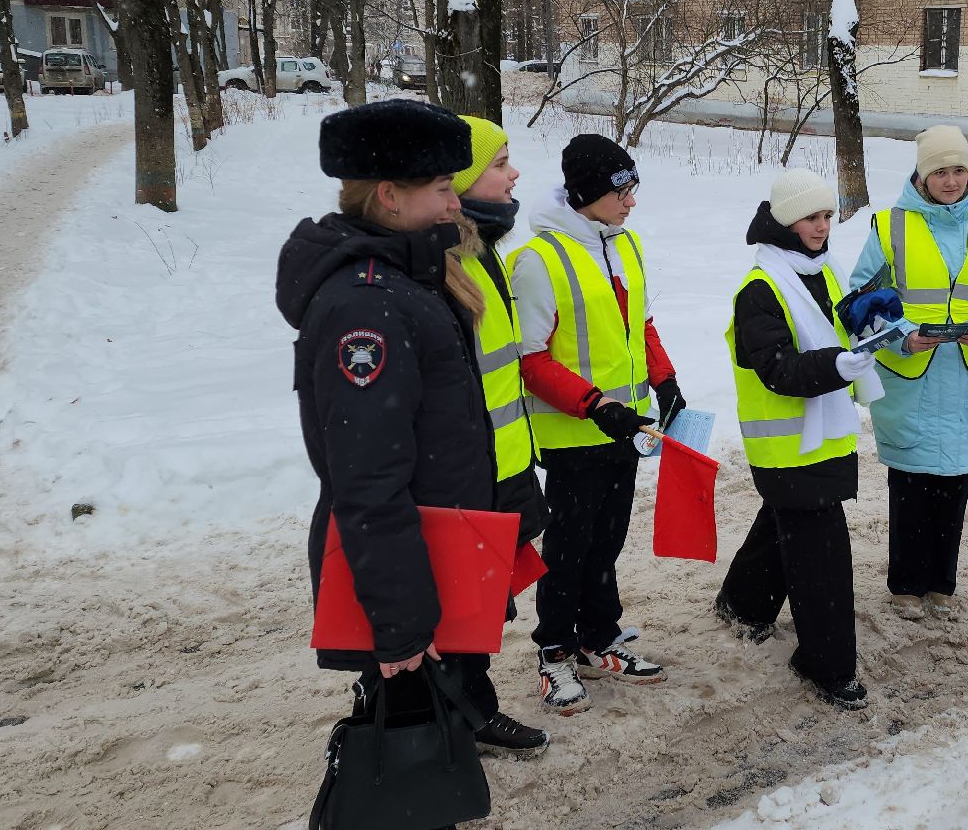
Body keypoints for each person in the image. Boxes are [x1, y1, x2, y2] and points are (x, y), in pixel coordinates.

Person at [274, 98, 548, 776]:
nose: (456, 202)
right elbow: (367, 482)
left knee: (435, 741)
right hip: (408, 573)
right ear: (390, 196)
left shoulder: (406, 279)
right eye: (440, 188)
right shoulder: (369, 304)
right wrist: (400, 624)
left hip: (438, 552)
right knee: (409, 760)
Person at [509, 134, 685, 715]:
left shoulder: (624, 244)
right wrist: (594, 405)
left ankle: (599, 636)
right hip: (573, 433)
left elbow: (642, 324)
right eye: (622, 190)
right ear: (587, 192)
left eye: (633, 188)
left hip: (625, 428)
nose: (632, 201)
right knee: (569, 548)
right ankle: (554, 652)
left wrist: (665, 380)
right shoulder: (539, 259)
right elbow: (531, 359)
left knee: (607, 541)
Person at [843, 124, 968, 620]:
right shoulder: (890, 225)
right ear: (922, 175)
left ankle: (941, 583)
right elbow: (863, 297)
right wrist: (903, 333)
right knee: (910, 479)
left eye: (959, 170)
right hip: (913, 375)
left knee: (954, 481)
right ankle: (906, 581)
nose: (950, 181)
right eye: (940, 172)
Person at [714, 169, 882, 710]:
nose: (822, 225)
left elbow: (833, 324)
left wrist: (869, 319)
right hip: (788, 446)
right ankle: (827, 665)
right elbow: (777, 368)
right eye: (811, 216)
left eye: (828, 215)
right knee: (822, 558)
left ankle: (744, 603)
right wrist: (839, 364)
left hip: (819, 437)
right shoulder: (760, 289)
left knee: (784, 522)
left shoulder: (816, 270)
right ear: (785, 220)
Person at [450, 117, 546, 546]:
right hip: (471, 484)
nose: (515, 174)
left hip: (506, 467)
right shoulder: (446, 266)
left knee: (493, 605)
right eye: (501, 164)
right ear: (461, 182)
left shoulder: (483, 254)